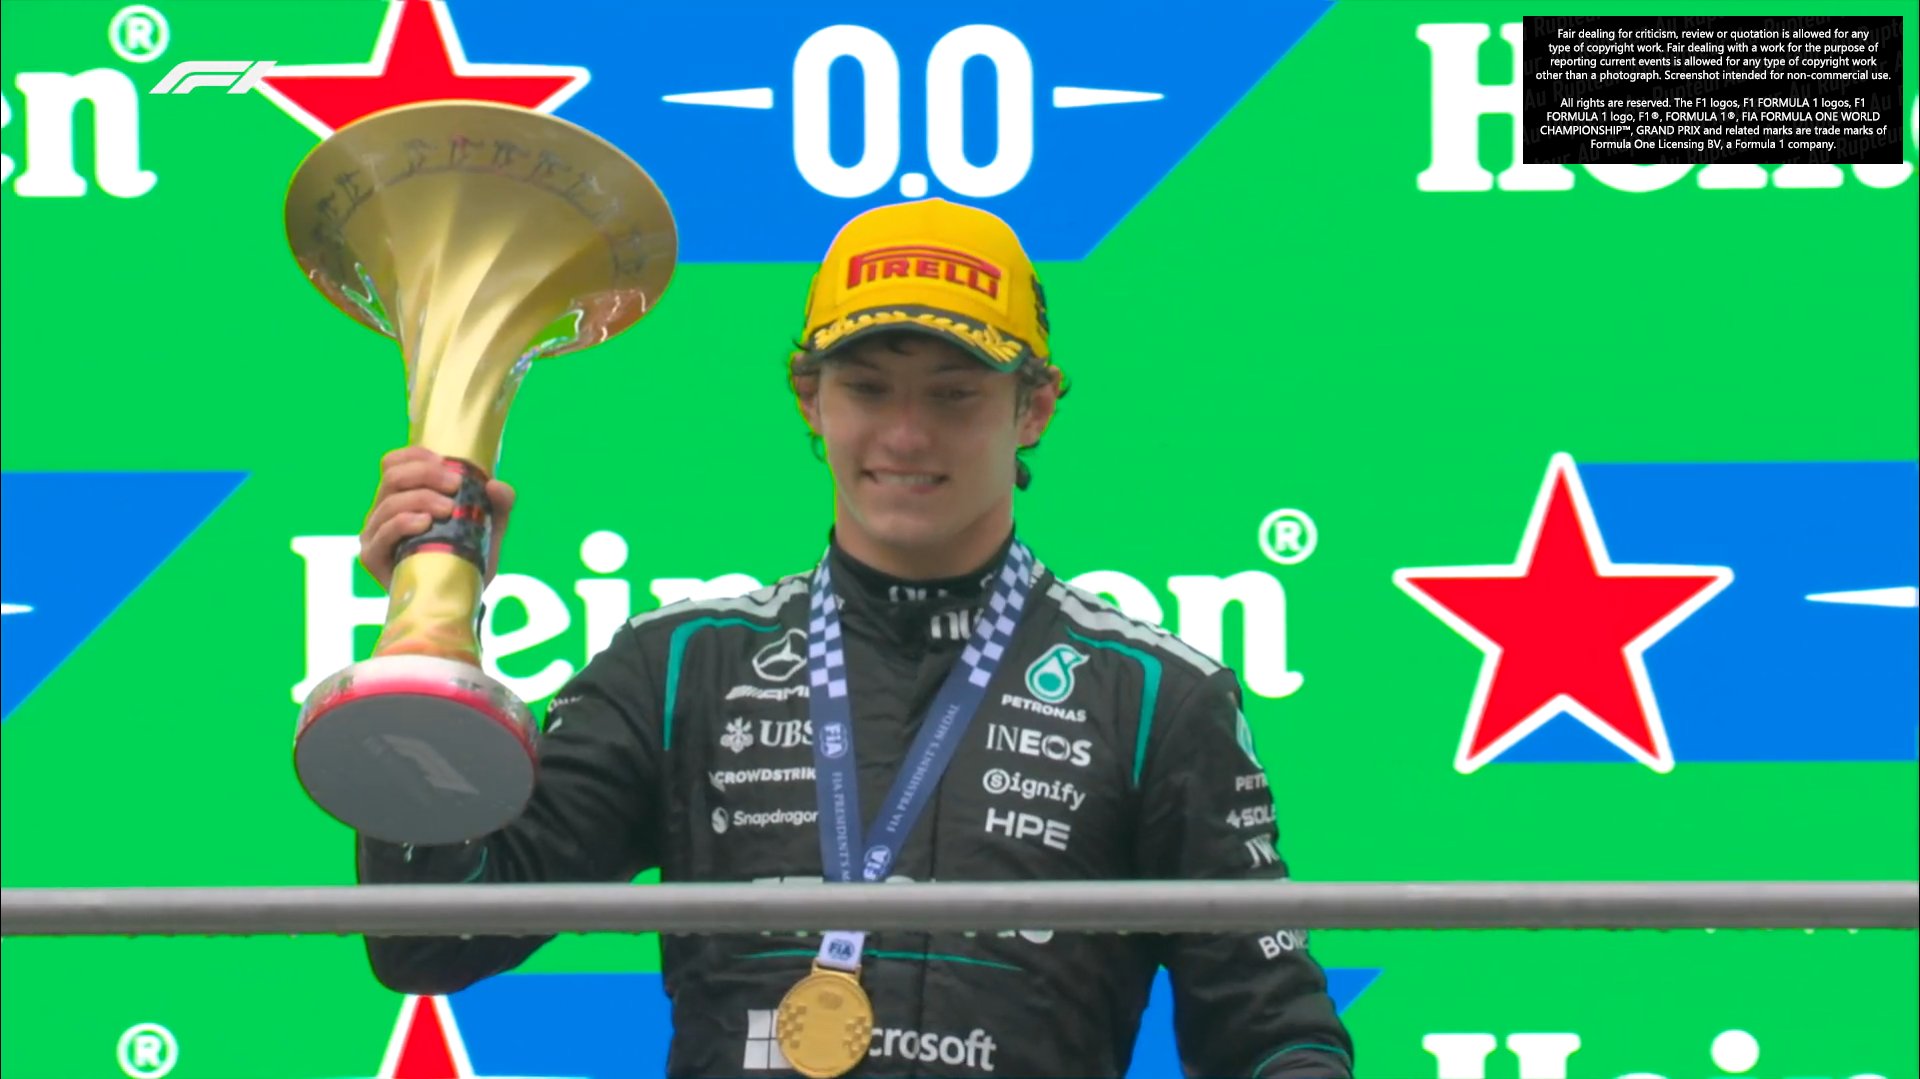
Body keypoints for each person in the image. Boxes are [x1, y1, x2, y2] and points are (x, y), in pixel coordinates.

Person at [352, 198, 1355, 1078]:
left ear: (1034, 407)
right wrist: (428, 632)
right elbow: (432, 932)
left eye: (954, 393)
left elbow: (1272, 1032)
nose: (905, 435)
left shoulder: (1152, 695)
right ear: (811, 400)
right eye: (869, 388)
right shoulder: (683, 667)